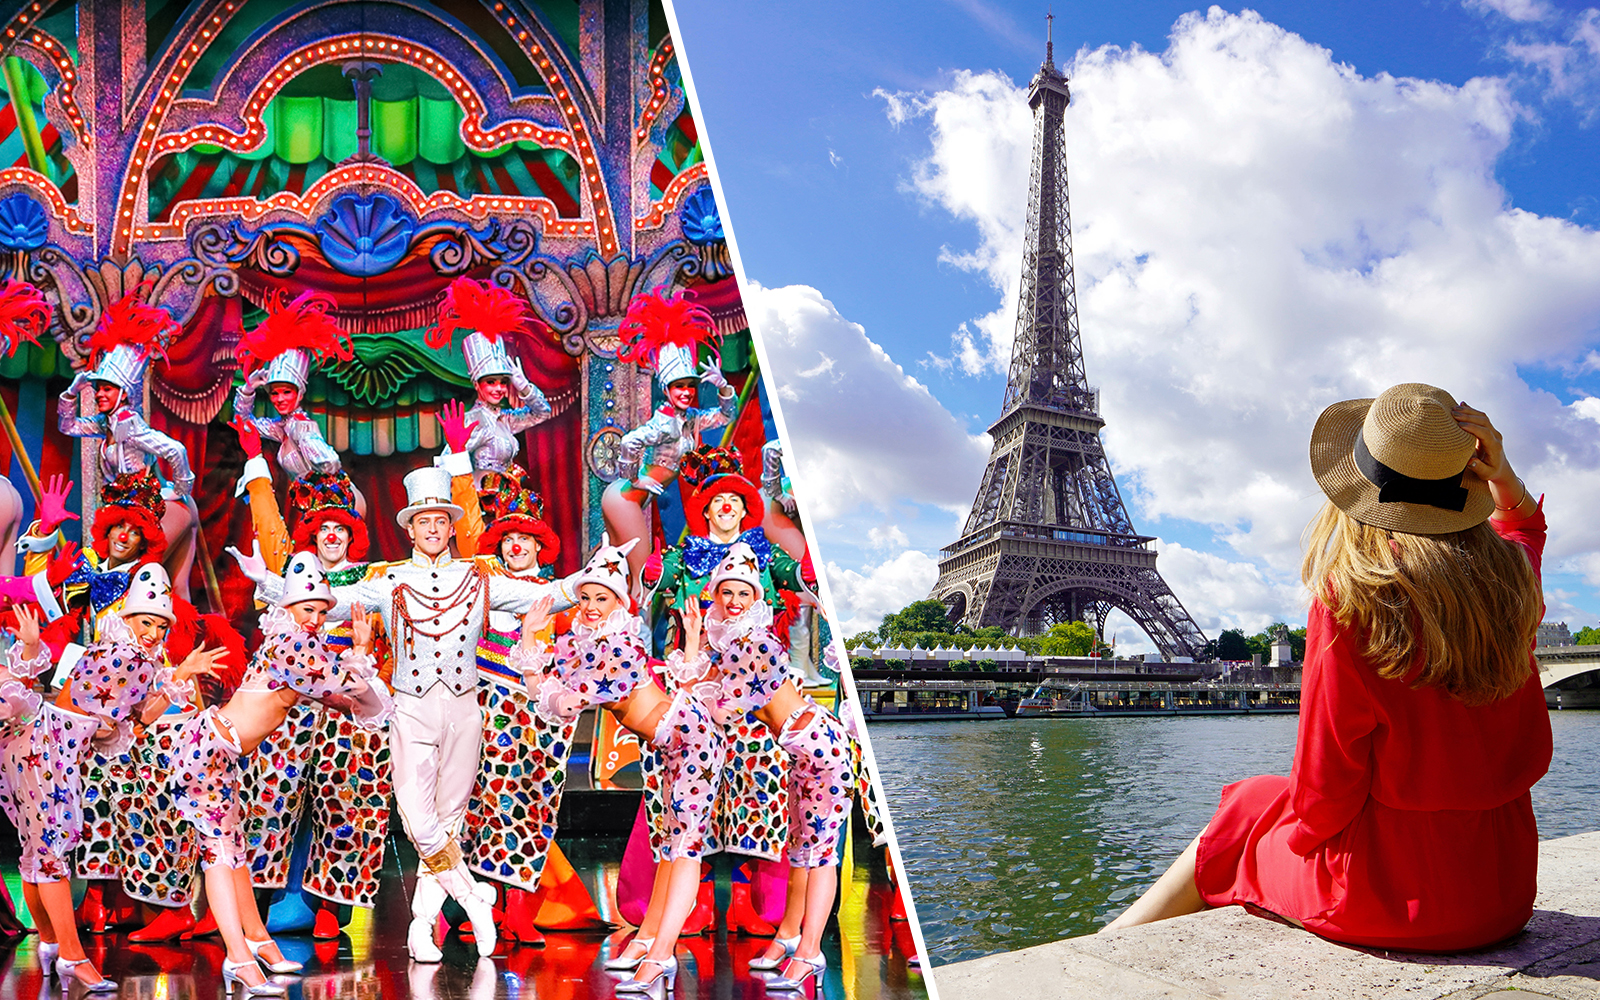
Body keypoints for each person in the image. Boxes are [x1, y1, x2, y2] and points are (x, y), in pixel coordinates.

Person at [1104, 385, 1552, 951]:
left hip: (1389, 901)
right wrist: (1504, 477)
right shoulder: (1512, 584)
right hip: (1503, 891)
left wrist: (1289, 839)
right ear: (1468, 481)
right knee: (1256, 800)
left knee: (1240, 815)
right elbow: (1524, 533)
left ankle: (1105, 946)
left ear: (1358, 487)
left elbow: (1325, 791)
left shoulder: (1353, 602)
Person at [235, 465, 580, 962]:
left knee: (448, 822)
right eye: (424, 522)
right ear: (410, 529)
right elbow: (328, 601)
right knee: (418, 821)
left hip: (464, 710)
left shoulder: (478, 578)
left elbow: (547, 594)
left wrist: (598, 576)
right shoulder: (388, 581)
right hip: (411, 710)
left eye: (441, 521)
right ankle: (474, 900)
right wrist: (269, 583)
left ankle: (421, 928)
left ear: (450, 527)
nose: (433, 529)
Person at [164, 552, 390, 996]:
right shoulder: (291, 645)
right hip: (206, 750)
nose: (315, 620)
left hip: (221, 753)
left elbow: (338, 694)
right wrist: (362, 656)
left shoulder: (299, 645)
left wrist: (361, 681)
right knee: (220, 858)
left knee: (235, 853)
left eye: (322, 612)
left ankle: (259, 941)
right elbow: (340, 689)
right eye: (308, 610)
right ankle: (238, 958)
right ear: (288, 608)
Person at [510, 535, 724, 994]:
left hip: (692, 740)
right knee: (668, 847)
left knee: (683, 851)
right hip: (668, 745)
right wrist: (530, 639)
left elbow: (567, 701)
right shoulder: (584, 644)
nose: (590, 607)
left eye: (601, 598)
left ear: (619, 602)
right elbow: (551, 695)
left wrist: (539, 660)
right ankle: (647, 939)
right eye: (585, 597)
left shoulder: (618, 646)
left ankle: (661, 957)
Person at [0, 564, 227, 989]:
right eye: (147, 622)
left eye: (161, 625)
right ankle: (71, 956)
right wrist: (170, 681)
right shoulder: (126, 656)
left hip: (50, 746)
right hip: (49, 747)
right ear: (129, 619)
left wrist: (178, 676)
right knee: (47, 856)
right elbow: (110, 722)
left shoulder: (129, 655)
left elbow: (135, 720)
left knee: (36, 856)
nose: (154, 633)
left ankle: (50, 945)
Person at [671, 543, 852, 991]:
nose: (733, 602)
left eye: (743, 594)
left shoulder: (755, 643)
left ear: (757, 599)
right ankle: (788, 937)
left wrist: (697, 656)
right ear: (714, 595)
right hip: (802, 749)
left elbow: (716, 709)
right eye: (726, 592)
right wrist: (693, 641)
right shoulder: (732, 643)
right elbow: (703, 695)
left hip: (821, 750)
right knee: (801, 852)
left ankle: (810, 953)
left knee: (820, 857)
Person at [600, 287, 736, 590]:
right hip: (624, 498)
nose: (686, 392)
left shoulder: (691, 418)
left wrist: (724, 387)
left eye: (690, 386)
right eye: (678, 387)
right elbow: (629, 441)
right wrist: (636, 479)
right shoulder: (664, 423)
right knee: (643, 580)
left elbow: (726, 416)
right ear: (666, 389)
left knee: (620, 577)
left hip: (625, 498)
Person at [429, 276, 553, 482]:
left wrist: (523, 386)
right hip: (483, 498)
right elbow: (446, 462)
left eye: (503, 382)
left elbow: (542, 413)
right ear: (477, 385)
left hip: (508, 496)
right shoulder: (474, 420)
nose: (499, 388)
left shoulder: (506, 419)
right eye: (491, 382)